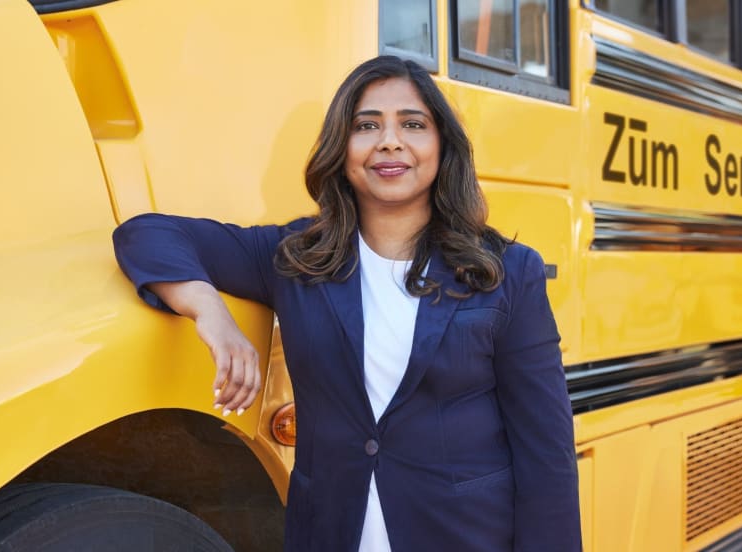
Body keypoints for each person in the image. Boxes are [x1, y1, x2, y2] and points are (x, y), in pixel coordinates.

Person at [113, 56, 581, 551]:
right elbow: (145, 234)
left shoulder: (507, 272)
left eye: (413, 124)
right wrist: (209, 311)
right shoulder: (296, 258)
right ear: (343, 149)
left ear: (443, 146)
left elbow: (545, 453)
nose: (389, 141)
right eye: (366, 126)